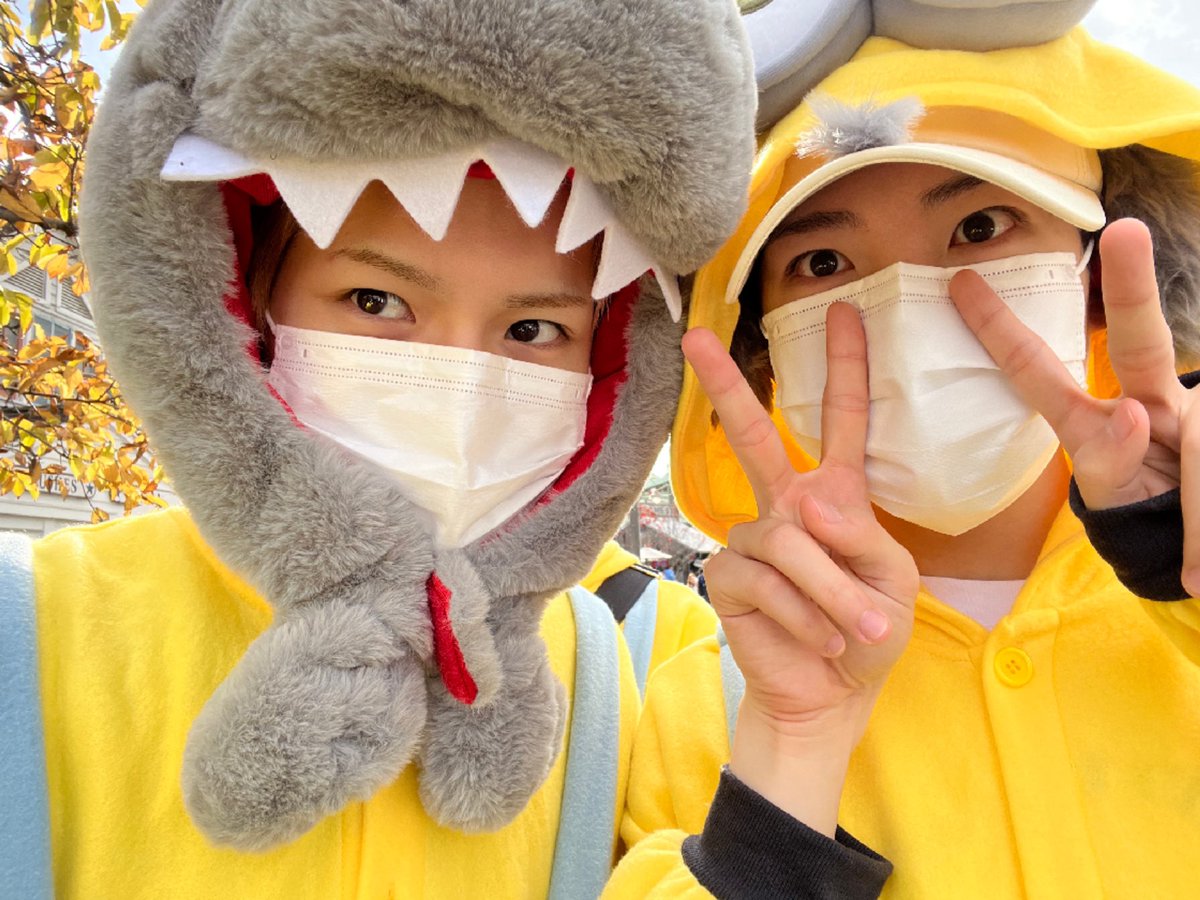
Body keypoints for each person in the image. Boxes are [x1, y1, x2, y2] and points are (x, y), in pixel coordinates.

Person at [0, 1, 756, 897]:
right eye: (375, 301)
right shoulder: (33, 631)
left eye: (533, 328)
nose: (459, 383)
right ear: (246, 300)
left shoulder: (641, 662)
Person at [607, 28, 1200, 898]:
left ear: (1095, 274)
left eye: (980, 226)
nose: (904, 306)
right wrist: (788, 768)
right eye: (821, 262)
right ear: (760, 344)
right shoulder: (709, 705)